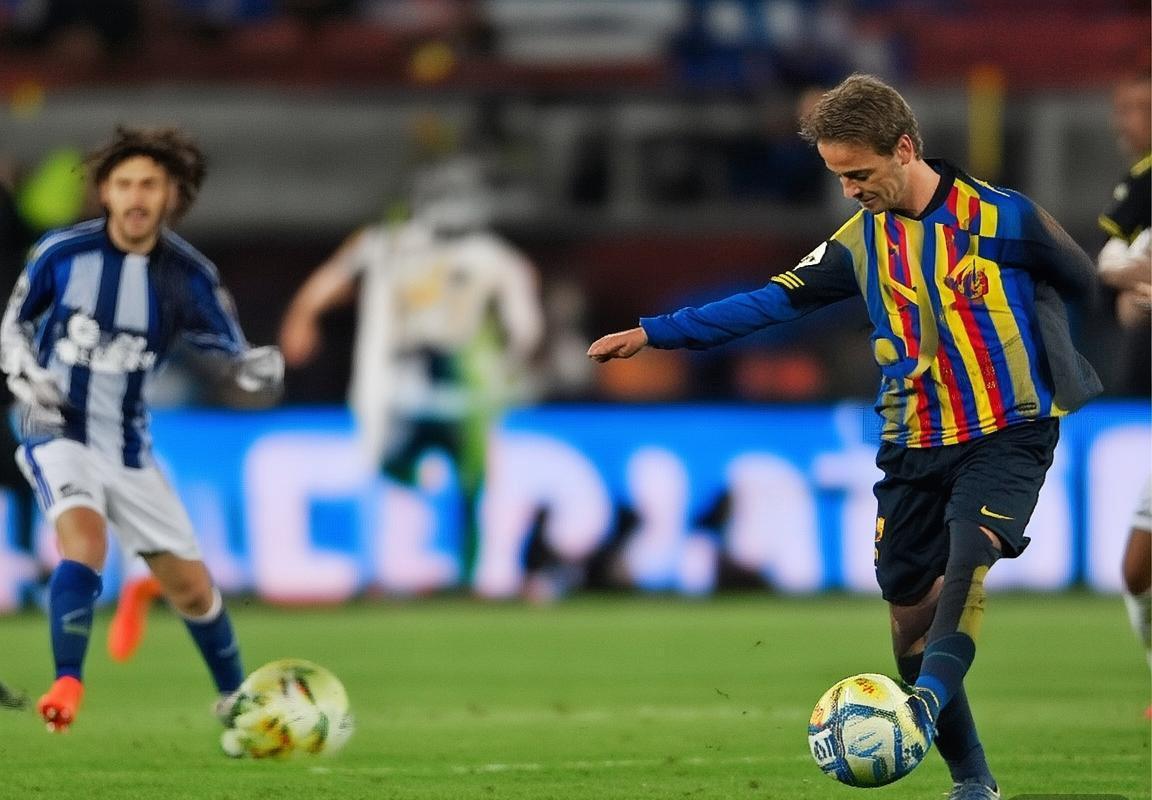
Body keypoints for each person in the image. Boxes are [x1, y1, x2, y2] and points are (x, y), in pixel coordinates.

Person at [587, 74, 1100, 800]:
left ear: (905, 149)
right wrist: (656, 332)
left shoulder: (1003, 217)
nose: (850, 189)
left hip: (1008, 430)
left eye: (859, 174)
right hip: (913, 444)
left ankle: (923, 710)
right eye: (838, 177)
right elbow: (771, 302)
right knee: (908, 620)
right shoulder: (858, 243)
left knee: (968, 559)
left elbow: (1086, 282)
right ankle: (974, 779)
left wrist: (1071, 363)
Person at [0, 126, 284, 732]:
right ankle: (68, 683)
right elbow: (14, 324)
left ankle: (234, 699)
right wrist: (24, 370)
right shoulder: (61, 254)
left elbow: (230, 352)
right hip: (53, 422)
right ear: (104, 192)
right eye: (124, 183)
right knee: (85, 540)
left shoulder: (189, 275)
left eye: (149, 185)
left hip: (129, 445)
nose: (136, 196)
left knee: (193, 590)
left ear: (171, 196)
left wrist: (255, 369)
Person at [279, 160, 543, 589]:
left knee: (472, 483)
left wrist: (514, 357)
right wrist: (302, 314)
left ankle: (467, 577)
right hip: (398, 382)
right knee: (387, 466)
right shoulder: (387, 243)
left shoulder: (490, 255)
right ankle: (386, 567)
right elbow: (334, 276)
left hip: (460, 384)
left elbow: (524, 318)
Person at [1096, 74, 1151, 708]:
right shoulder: (1143, 182)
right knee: (1138, 571)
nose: (1124, 120)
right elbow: (1109, 261)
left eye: (1139, 107)